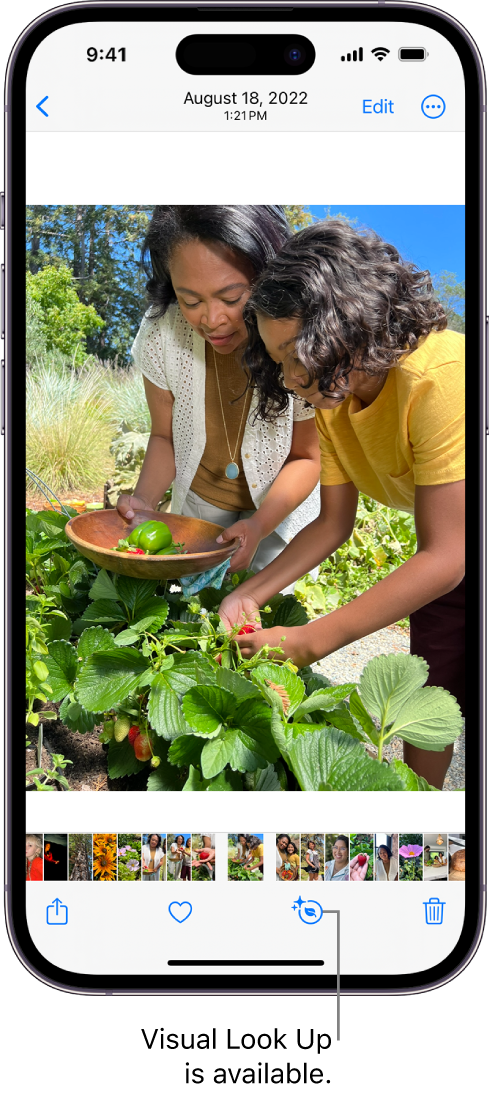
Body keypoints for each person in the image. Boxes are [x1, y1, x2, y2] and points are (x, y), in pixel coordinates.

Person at [220, 220, 465, 788]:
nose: (288, 376)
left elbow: (448, 554)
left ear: (350, 320)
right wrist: (249, 592)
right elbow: (334, 523)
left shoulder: (444, 375)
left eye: (296, 353)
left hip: (457, 548)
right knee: (431, 703)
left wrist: (313, 638)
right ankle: (420, 824)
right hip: (458, 554)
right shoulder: (334, 399)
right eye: (277, 359)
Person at [117, 206, 321, 581]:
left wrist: (259, 525)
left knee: (265, 618)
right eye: (190, 301)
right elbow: (165, 437)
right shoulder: (163, 332)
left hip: (280, 512)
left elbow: (306, 458)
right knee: (193, 611)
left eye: (231, 298)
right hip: (199, 501)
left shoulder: (297, 339)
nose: (211, 320)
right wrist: (144, 501)